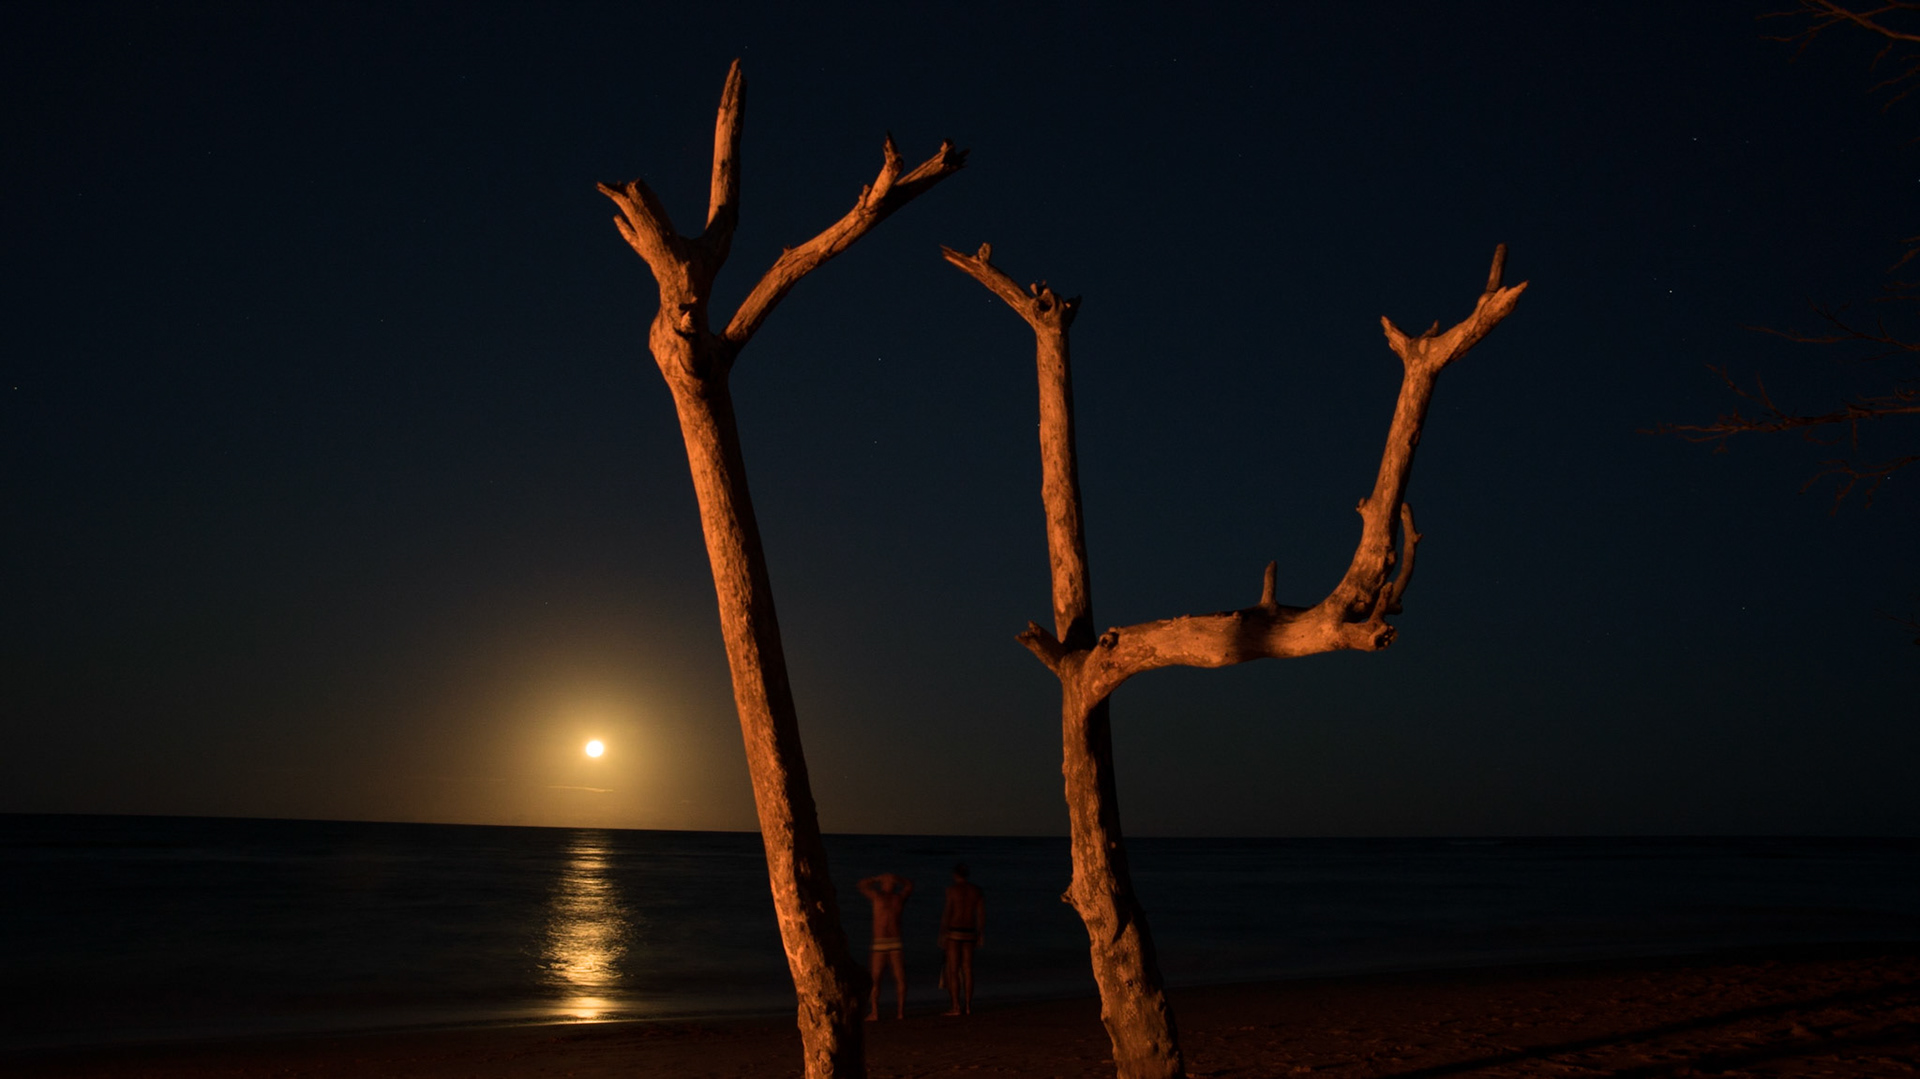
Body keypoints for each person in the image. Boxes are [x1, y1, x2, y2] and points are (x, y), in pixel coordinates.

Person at [857, 872, 913, 1020]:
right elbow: (860, 885)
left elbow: (910, 885)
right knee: (875, 978)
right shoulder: (878, 897)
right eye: (885, 881)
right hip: (881, 942)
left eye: (889, 881)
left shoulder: (897, 898)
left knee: (899, 977)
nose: (887, 883)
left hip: (893, 941)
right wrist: (876, 878)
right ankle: (875, 1012)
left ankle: (900, 1012)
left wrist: (896, 878)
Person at [938, 862, 984, 1016]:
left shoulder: (952, 890)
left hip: (954, 932)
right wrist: (981, 933)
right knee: (967, 969)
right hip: (970, 931)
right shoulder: (976, 890)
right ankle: (969, 1006)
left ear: (955, 875)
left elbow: (947, 913)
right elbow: (981, 914)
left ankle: (956, 1006)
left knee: (953, 970)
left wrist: (942, 933)